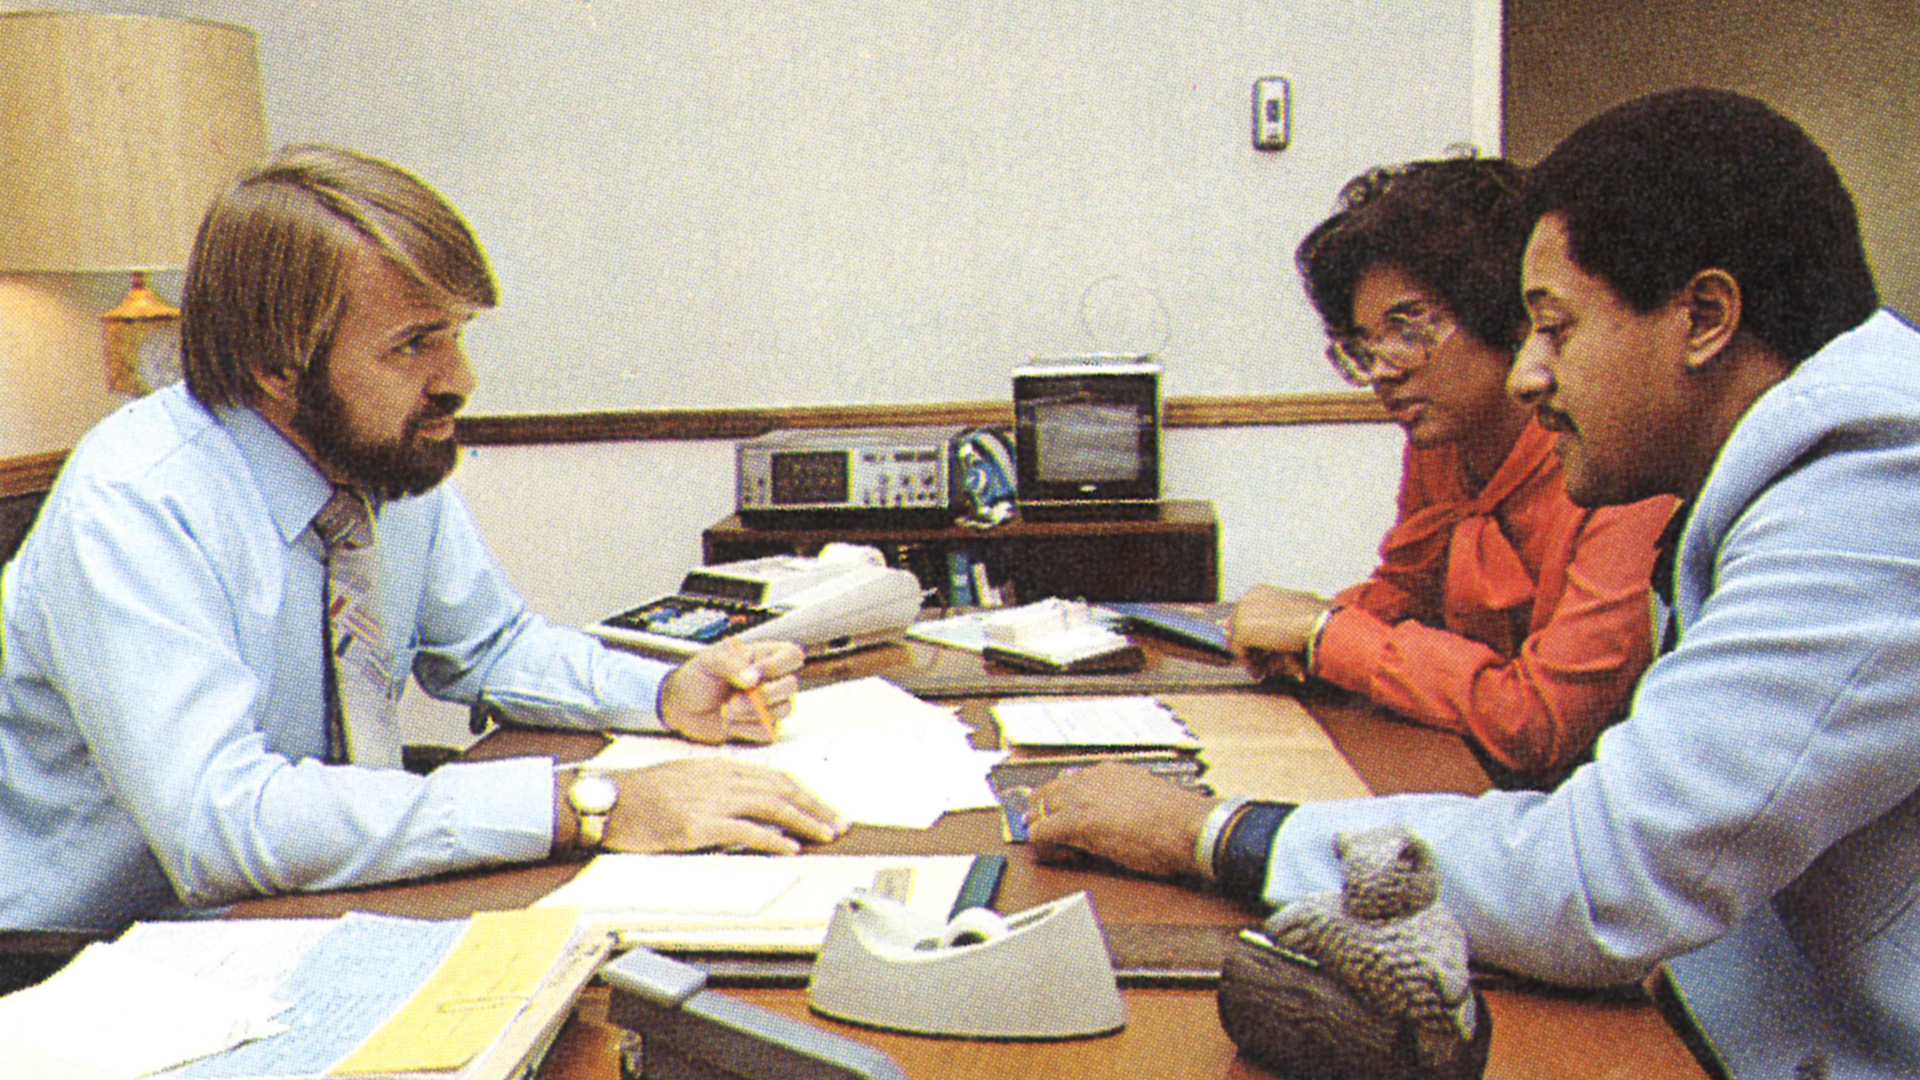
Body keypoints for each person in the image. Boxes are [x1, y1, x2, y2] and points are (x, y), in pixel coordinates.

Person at [1031, 88, 1910, 1079]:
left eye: (1555, 328)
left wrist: (1215, 832)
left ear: (1704, 316)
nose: (1530, 377)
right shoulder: (1804, 466)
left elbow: (1605, 874)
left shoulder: (1877, 478)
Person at [0, 145, 845, 942]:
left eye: (456, 332)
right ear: (276, 368)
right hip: (104, 957)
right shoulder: (136, 503)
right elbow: (222, 826)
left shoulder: (380, 457)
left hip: (316, 905)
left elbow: (492, 646)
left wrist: (665, 696)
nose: (459, 379)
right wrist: (587, 804)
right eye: (414, 345)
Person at [1232, 156, 1676, 786]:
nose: (1384, 367)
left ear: (1508, 316)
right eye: (1363, 344)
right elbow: (1405, 591)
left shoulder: (1621, 469)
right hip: (1477, 780)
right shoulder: (1442, 437)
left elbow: (1543, 722)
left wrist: (1327, 632)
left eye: (1408, 327)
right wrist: (1301, 632)